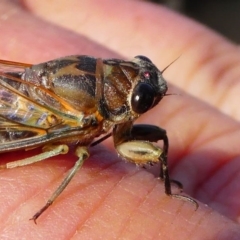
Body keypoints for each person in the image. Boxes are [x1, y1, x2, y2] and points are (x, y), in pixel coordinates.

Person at [0, 0, 240, 239]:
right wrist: (46, 200)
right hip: (22, 116)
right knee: (78, 156)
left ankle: (167, 189)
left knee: (161, 137)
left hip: (26, 88)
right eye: (144, 99)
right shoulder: (89, 114)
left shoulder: (111, 103)